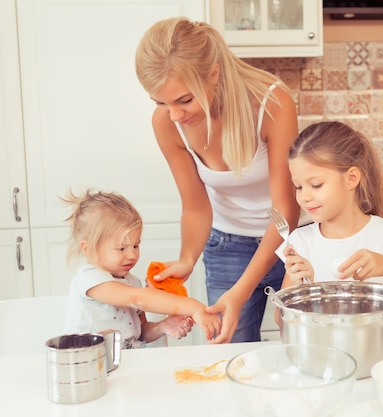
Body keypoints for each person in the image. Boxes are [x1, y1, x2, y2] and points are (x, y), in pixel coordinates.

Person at [134, 17, 300, 343]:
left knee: (300, 344)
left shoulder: (271, 103)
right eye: (161, 103)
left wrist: (241, 291)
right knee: (230, 354)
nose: (174, 115)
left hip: (293, 243)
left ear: (213, 74)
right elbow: (196, 207)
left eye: (184, 100)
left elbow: (286, 212)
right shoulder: (168, 123)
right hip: (228, 245)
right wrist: (187, 258)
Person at [277, 121, 383, 327]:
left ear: (351, 178)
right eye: (298, 186)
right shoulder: (300, 243)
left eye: (316, 185)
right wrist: (299, 290)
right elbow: (281, 321)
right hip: (330, 355)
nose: (304, 196)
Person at [62, 189, 221, 349]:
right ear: (88, 248)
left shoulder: (133, 282)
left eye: (136, 245)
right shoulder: (89, 279)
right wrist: (193, 307)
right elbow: (137, 299)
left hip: (127, 363)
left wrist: (163, 326)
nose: (132, 255)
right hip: (90, 367)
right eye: (121, 248)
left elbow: (140, 333)